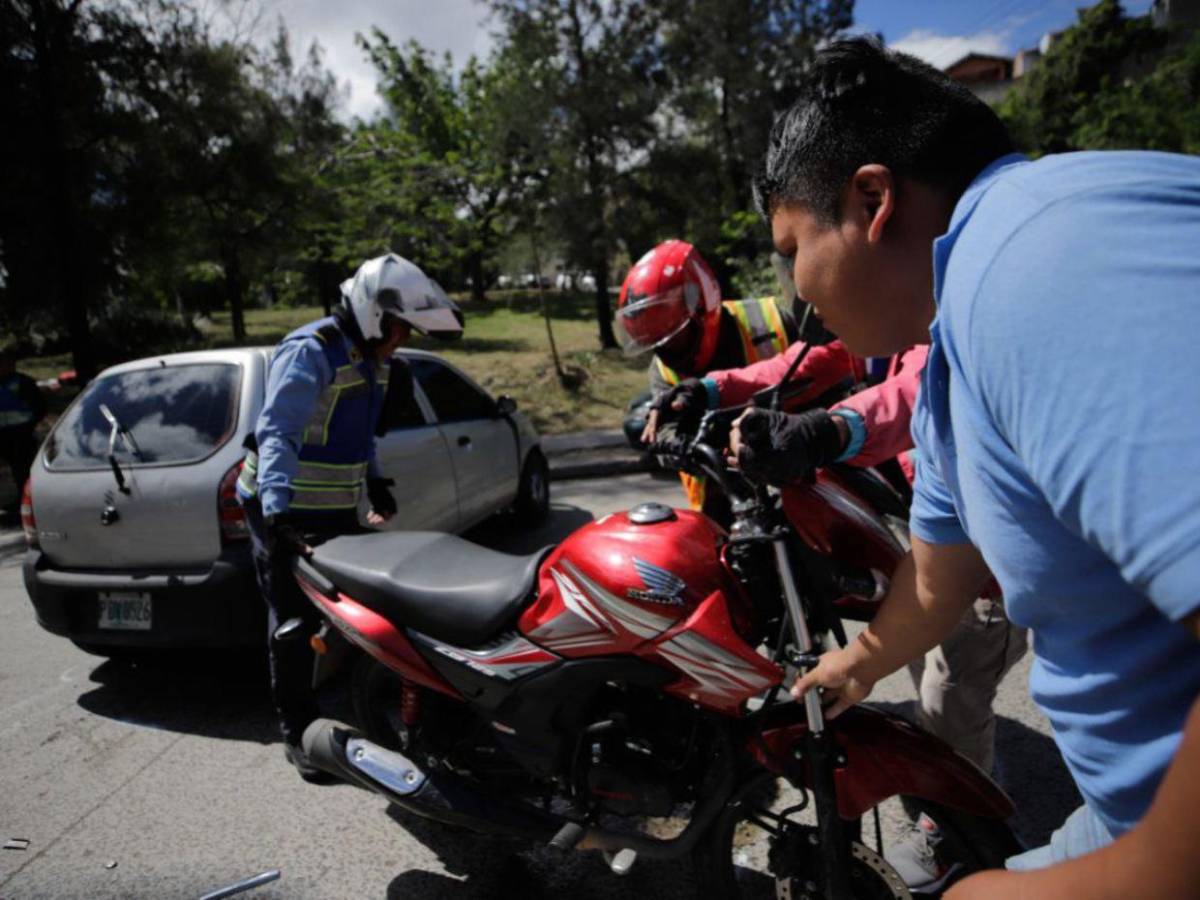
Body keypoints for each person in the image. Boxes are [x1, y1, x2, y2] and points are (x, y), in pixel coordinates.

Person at [741, 36, 1200, 898]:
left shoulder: (1038, 261)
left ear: (871, 200)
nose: (797, 291)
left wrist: (1134, 873)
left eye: (791, 245)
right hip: (1131, 810)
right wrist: (863, 661)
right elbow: (939, 574)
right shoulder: (959, 344)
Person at [236, 253, 463, 781]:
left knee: (357, 609)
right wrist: (276, 512)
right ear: (375, 315)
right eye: (401, 329)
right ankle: (296, 734)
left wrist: (375, 480)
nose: (402, 340)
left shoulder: (373, 360)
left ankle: (366, 704)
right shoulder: (311, 352)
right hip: (282, 506)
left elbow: (359, 435)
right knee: (293, 622)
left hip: (333, 505)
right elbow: (278, 433)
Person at [618, 239, 856, 518]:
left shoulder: (772, 320)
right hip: (726, 499)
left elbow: (818, 371)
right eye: (657, 342)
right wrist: (677, 442)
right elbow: (663, 431)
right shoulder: (662, 369)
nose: (667, 350)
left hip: (808, 476)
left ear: (701, 305)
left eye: (674, 337)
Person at [0, 349, 47, 516]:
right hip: (5, 435)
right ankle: (21, 501)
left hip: (22, 435)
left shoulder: (23, 383)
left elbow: (40, 407)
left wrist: (29, 425)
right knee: (16, 470)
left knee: (25, 470)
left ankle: (33, 502)